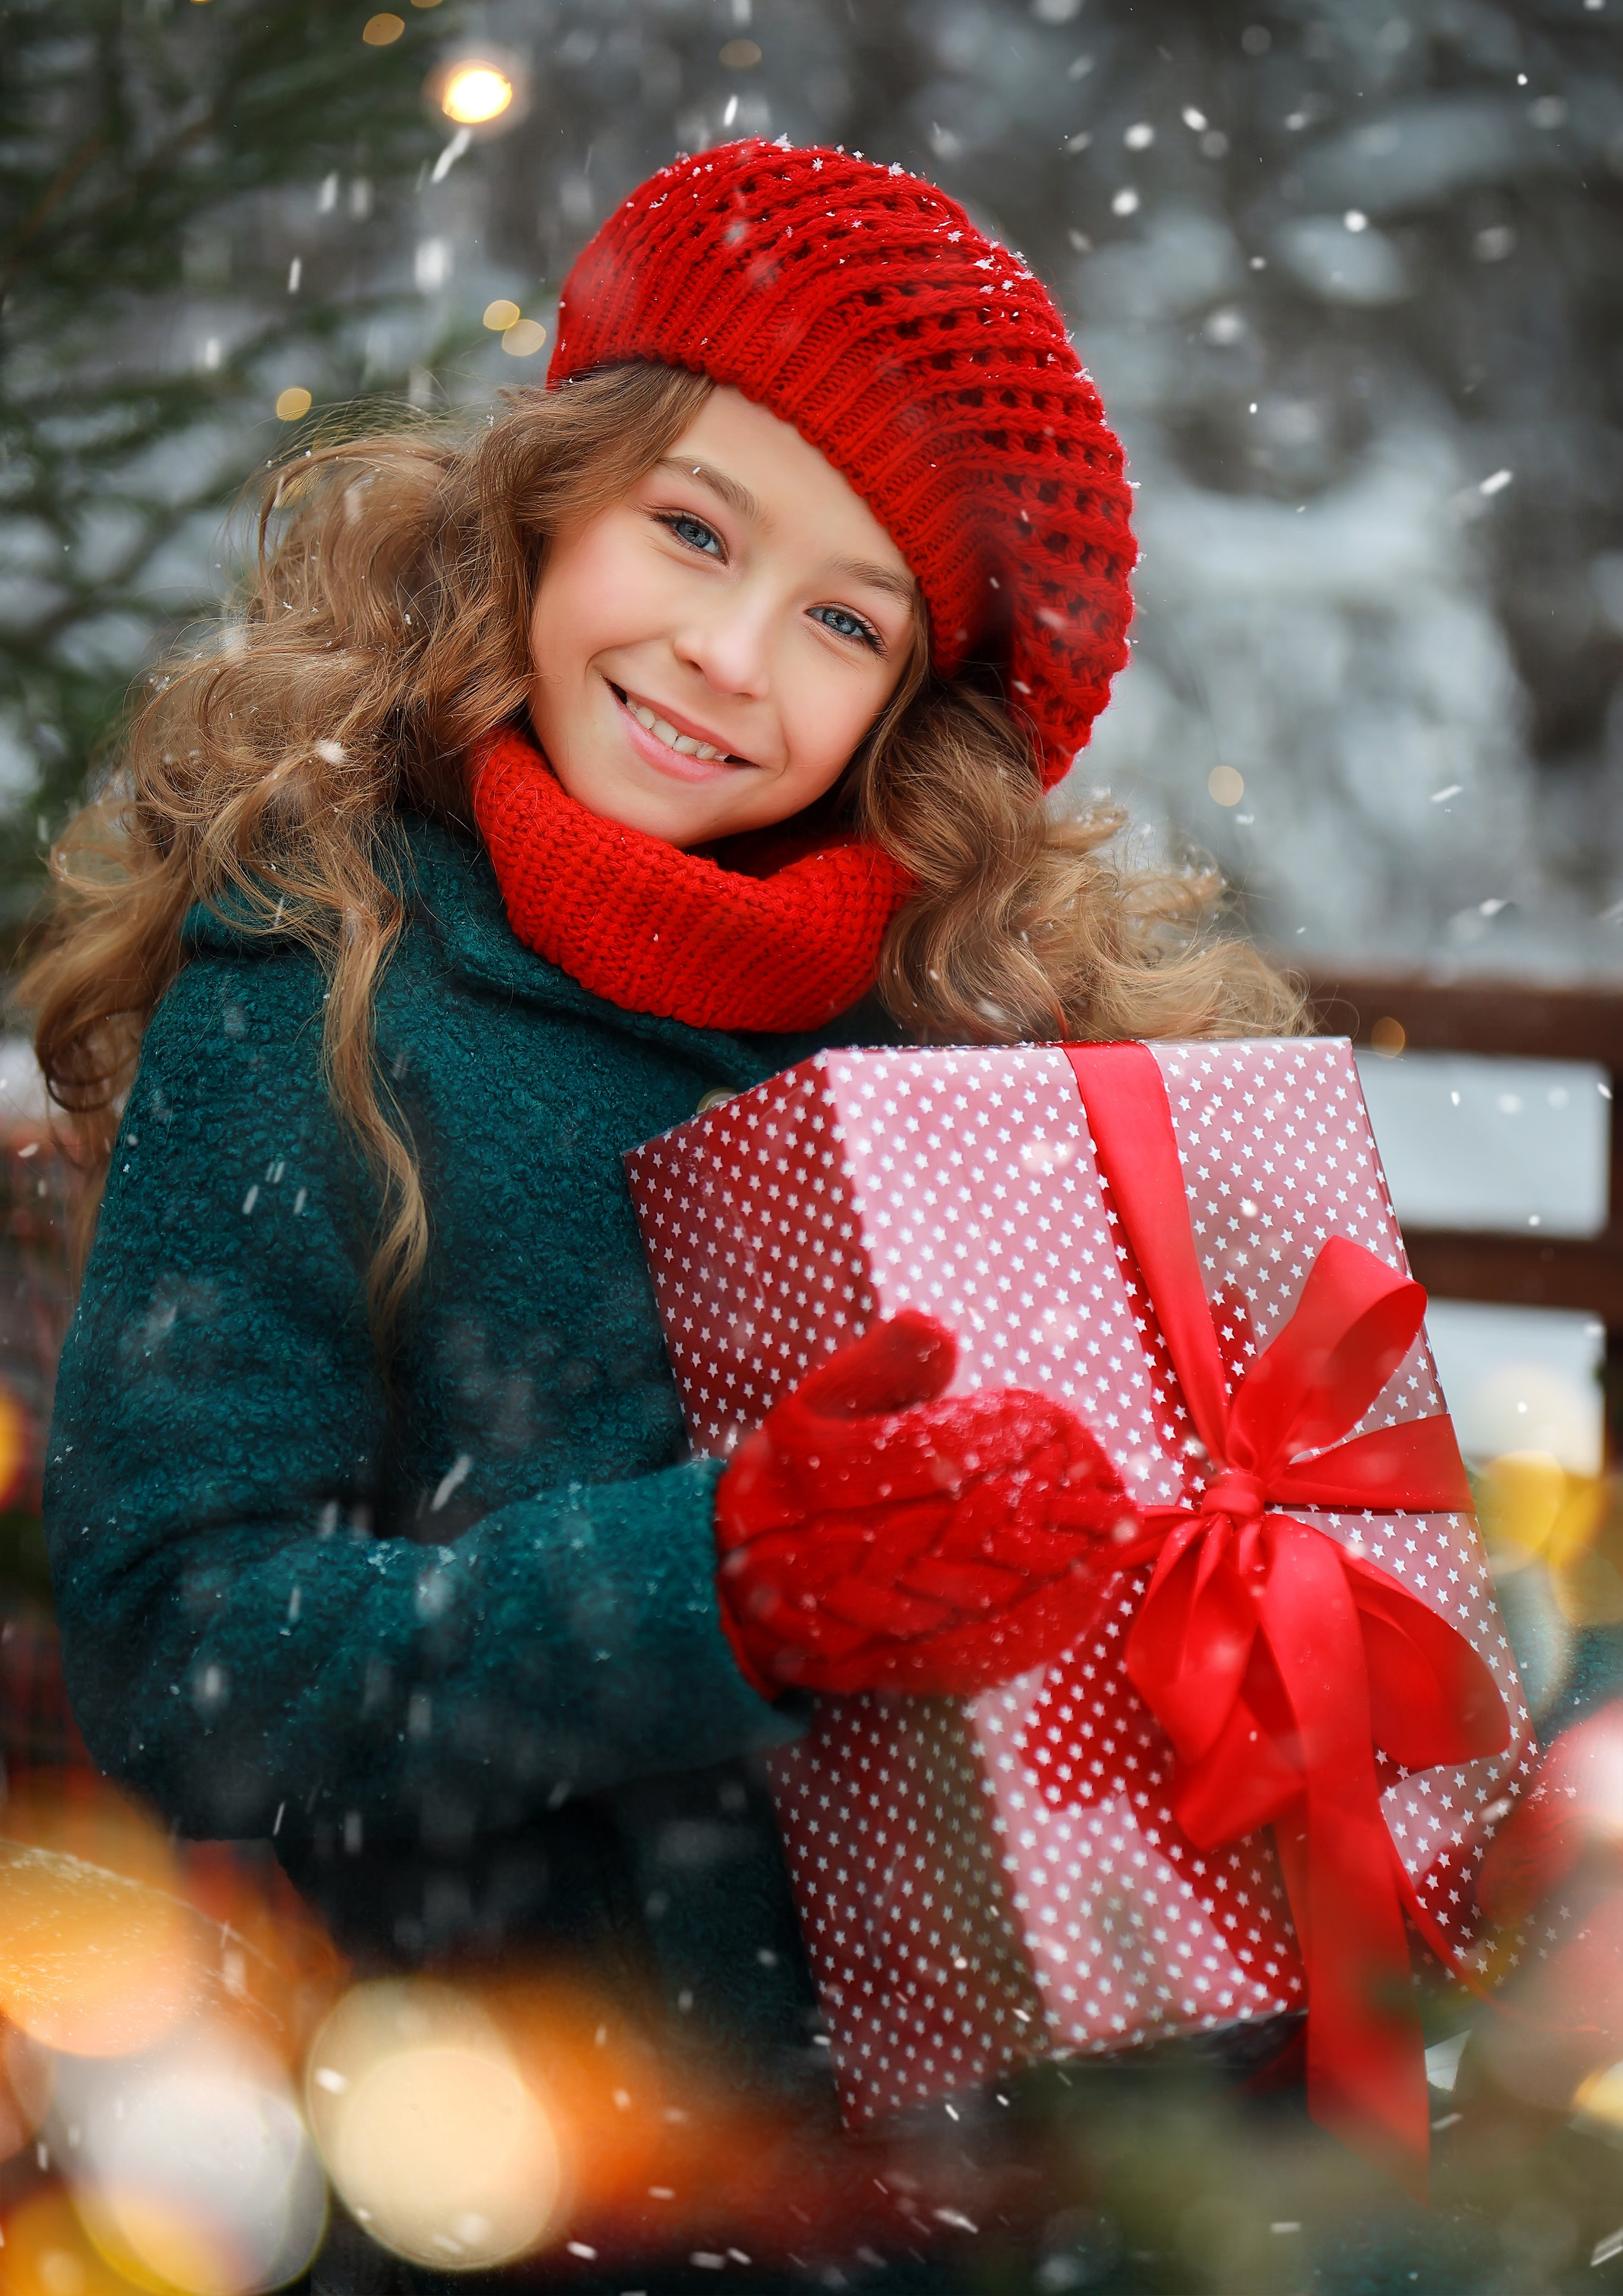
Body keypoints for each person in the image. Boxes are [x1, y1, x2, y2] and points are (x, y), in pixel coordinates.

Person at [22, 141, 1304, 2274]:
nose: (724, 652)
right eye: (690, 528)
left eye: (838, 618)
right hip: (493, 2146)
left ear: (914, 701)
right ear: (547, 500)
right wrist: (711, 1584)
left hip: (974, 2177)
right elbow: (188, 1664)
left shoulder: (977, 1045)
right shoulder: (316, 989)